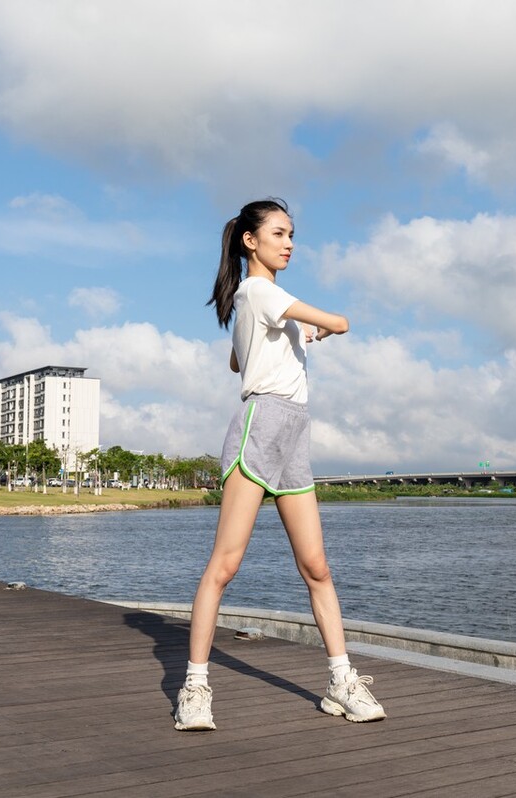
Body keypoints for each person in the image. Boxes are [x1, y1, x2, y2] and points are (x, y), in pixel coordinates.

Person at [174, 198, 386, 731]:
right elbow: (341, 319)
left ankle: (341, 681)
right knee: (224, 565)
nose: (289, 242)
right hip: (261, 426)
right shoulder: (260, 289)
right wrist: (325, 326)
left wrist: (296, 334)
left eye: (292, 235)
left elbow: (236, 358)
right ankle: (195, 687)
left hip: (295, 432)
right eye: (279, 233)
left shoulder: (264, 303)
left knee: (317, 567)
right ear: (251, 240)